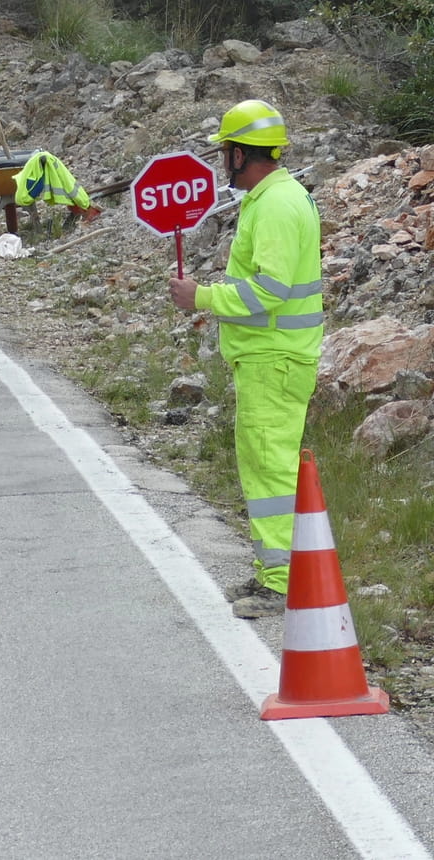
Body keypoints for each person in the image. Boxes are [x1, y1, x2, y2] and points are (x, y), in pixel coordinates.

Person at [167, 99, 323, 619]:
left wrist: (204, 298)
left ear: (238, 155)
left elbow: (271, 290)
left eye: (223, 152)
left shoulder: (276, 204)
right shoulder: (274, 197)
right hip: (272, 359)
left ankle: (280, 582)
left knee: (271, 470)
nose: (220, 162)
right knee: (266, 467)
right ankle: (278, 574)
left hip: (273, 361)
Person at [11, 150, 99, 224]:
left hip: (79, 200)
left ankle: (84, 211)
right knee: (70, 189)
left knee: (70, 191)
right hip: (78, 198)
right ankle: (81, 211)